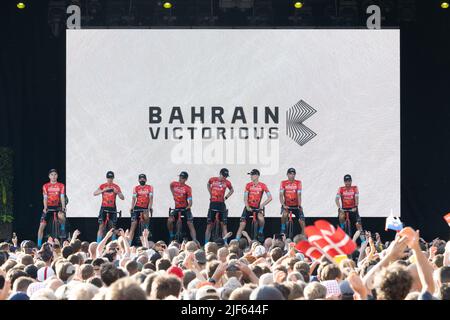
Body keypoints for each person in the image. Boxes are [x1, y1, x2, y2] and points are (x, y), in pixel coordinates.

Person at [236, 169, 272, 242]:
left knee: (261, 219)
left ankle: (260, 231)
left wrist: (262, 205)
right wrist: (247, 206)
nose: (251, 176)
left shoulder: (263, 185)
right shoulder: (248, 185)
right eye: (251, 175)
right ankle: (236, 241)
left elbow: (270, 197)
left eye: (253, 175)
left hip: (257, 207)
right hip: (248, 207)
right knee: (242, 225)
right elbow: (245, 198)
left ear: (257, 176)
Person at [37, 169, 66, 248]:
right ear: (49, 176)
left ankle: (62, 229)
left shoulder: (61, 185)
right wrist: (45, 207)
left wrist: (63, 207)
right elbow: (45, 197)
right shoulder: (45, 186)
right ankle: (39, 245)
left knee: (61, 216)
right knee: (41, 226)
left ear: (57, 176)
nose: (53, 176)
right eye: (52, 175)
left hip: (58, 207)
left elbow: (62, 197)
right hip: (48, 207)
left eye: (55, 174)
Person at [93, 171, 124, 243]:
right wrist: (103, 190)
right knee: (101, 226)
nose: (110, 179)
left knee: (112, 227)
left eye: (111, 178)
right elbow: (94, 193)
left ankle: (113, 243)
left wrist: (118, 192)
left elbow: (122, 198)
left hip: (112, 208)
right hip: (104, 207)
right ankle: (98, 243)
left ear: (113, 178)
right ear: (106, 178)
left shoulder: (116, 186)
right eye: (108, 178)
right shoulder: (103, 185)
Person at [205, 168, 234, 244]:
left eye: (226, 176)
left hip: (221, 204)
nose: (225, 178)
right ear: (220, 174)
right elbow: (208, 184)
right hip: (213, 203)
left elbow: (232, 190)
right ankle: (205, 243)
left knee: (224, 225)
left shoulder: (227, 182)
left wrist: (226, 197)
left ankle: (225, 243)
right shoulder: (212, 179)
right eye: (224, 176)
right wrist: (210, 193)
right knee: (209, 225)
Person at [168, 171, 197, 242]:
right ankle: (171, 235)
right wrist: (173, 194)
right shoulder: (173, 184)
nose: (180, 179)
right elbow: (171, 186)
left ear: (186, 179)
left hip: (185, 208)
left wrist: (189, 206)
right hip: (177, 208)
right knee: (169, 221)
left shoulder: (188, 188)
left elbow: (190, 201)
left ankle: (195, 240)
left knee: (190, 223)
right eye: (180, 177)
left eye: (183, 178)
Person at [129, 174, 153, 245]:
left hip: (145, 207)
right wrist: (132, 207)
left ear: (146, 179)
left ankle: (147, 228)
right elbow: (133, 198)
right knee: (133, 225)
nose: (142, 180)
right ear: (138, 180)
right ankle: (129, 243)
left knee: (146, 216)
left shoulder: (150, 187)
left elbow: (151, 198)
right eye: (140, 179)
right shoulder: (136, 188)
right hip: (137, 207)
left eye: (143, 179)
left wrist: (149, 208)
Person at [335, 174, 363, 238]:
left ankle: (363, 240)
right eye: (346, 181)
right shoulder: (341, 189)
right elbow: (336, 199)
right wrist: (339, 207)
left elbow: (356, 198)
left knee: (358, 224)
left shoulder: (355, 188)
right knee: (341, 216)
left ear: (351, 181)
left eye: (349, 181)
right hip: (344, 209)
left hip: (353, 208)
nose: (347, 182)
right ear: (344, 182)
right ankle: (342, 228)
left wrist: (356, 206)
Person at [279, 168, 305, 236]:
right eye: (290, 174)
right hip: (287, 205)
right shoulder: (283, 183)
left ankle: (303, 235)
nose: (292, 175)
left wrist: (299, 205)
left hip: (296, 205)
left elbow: (299, 194)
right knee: (284, 215)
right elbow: (281, 195)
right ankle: (283, 229)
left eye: (293, 174)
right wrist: (283, 204)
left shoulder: (298, 182)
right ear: (287, 174)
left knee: (302, 221)